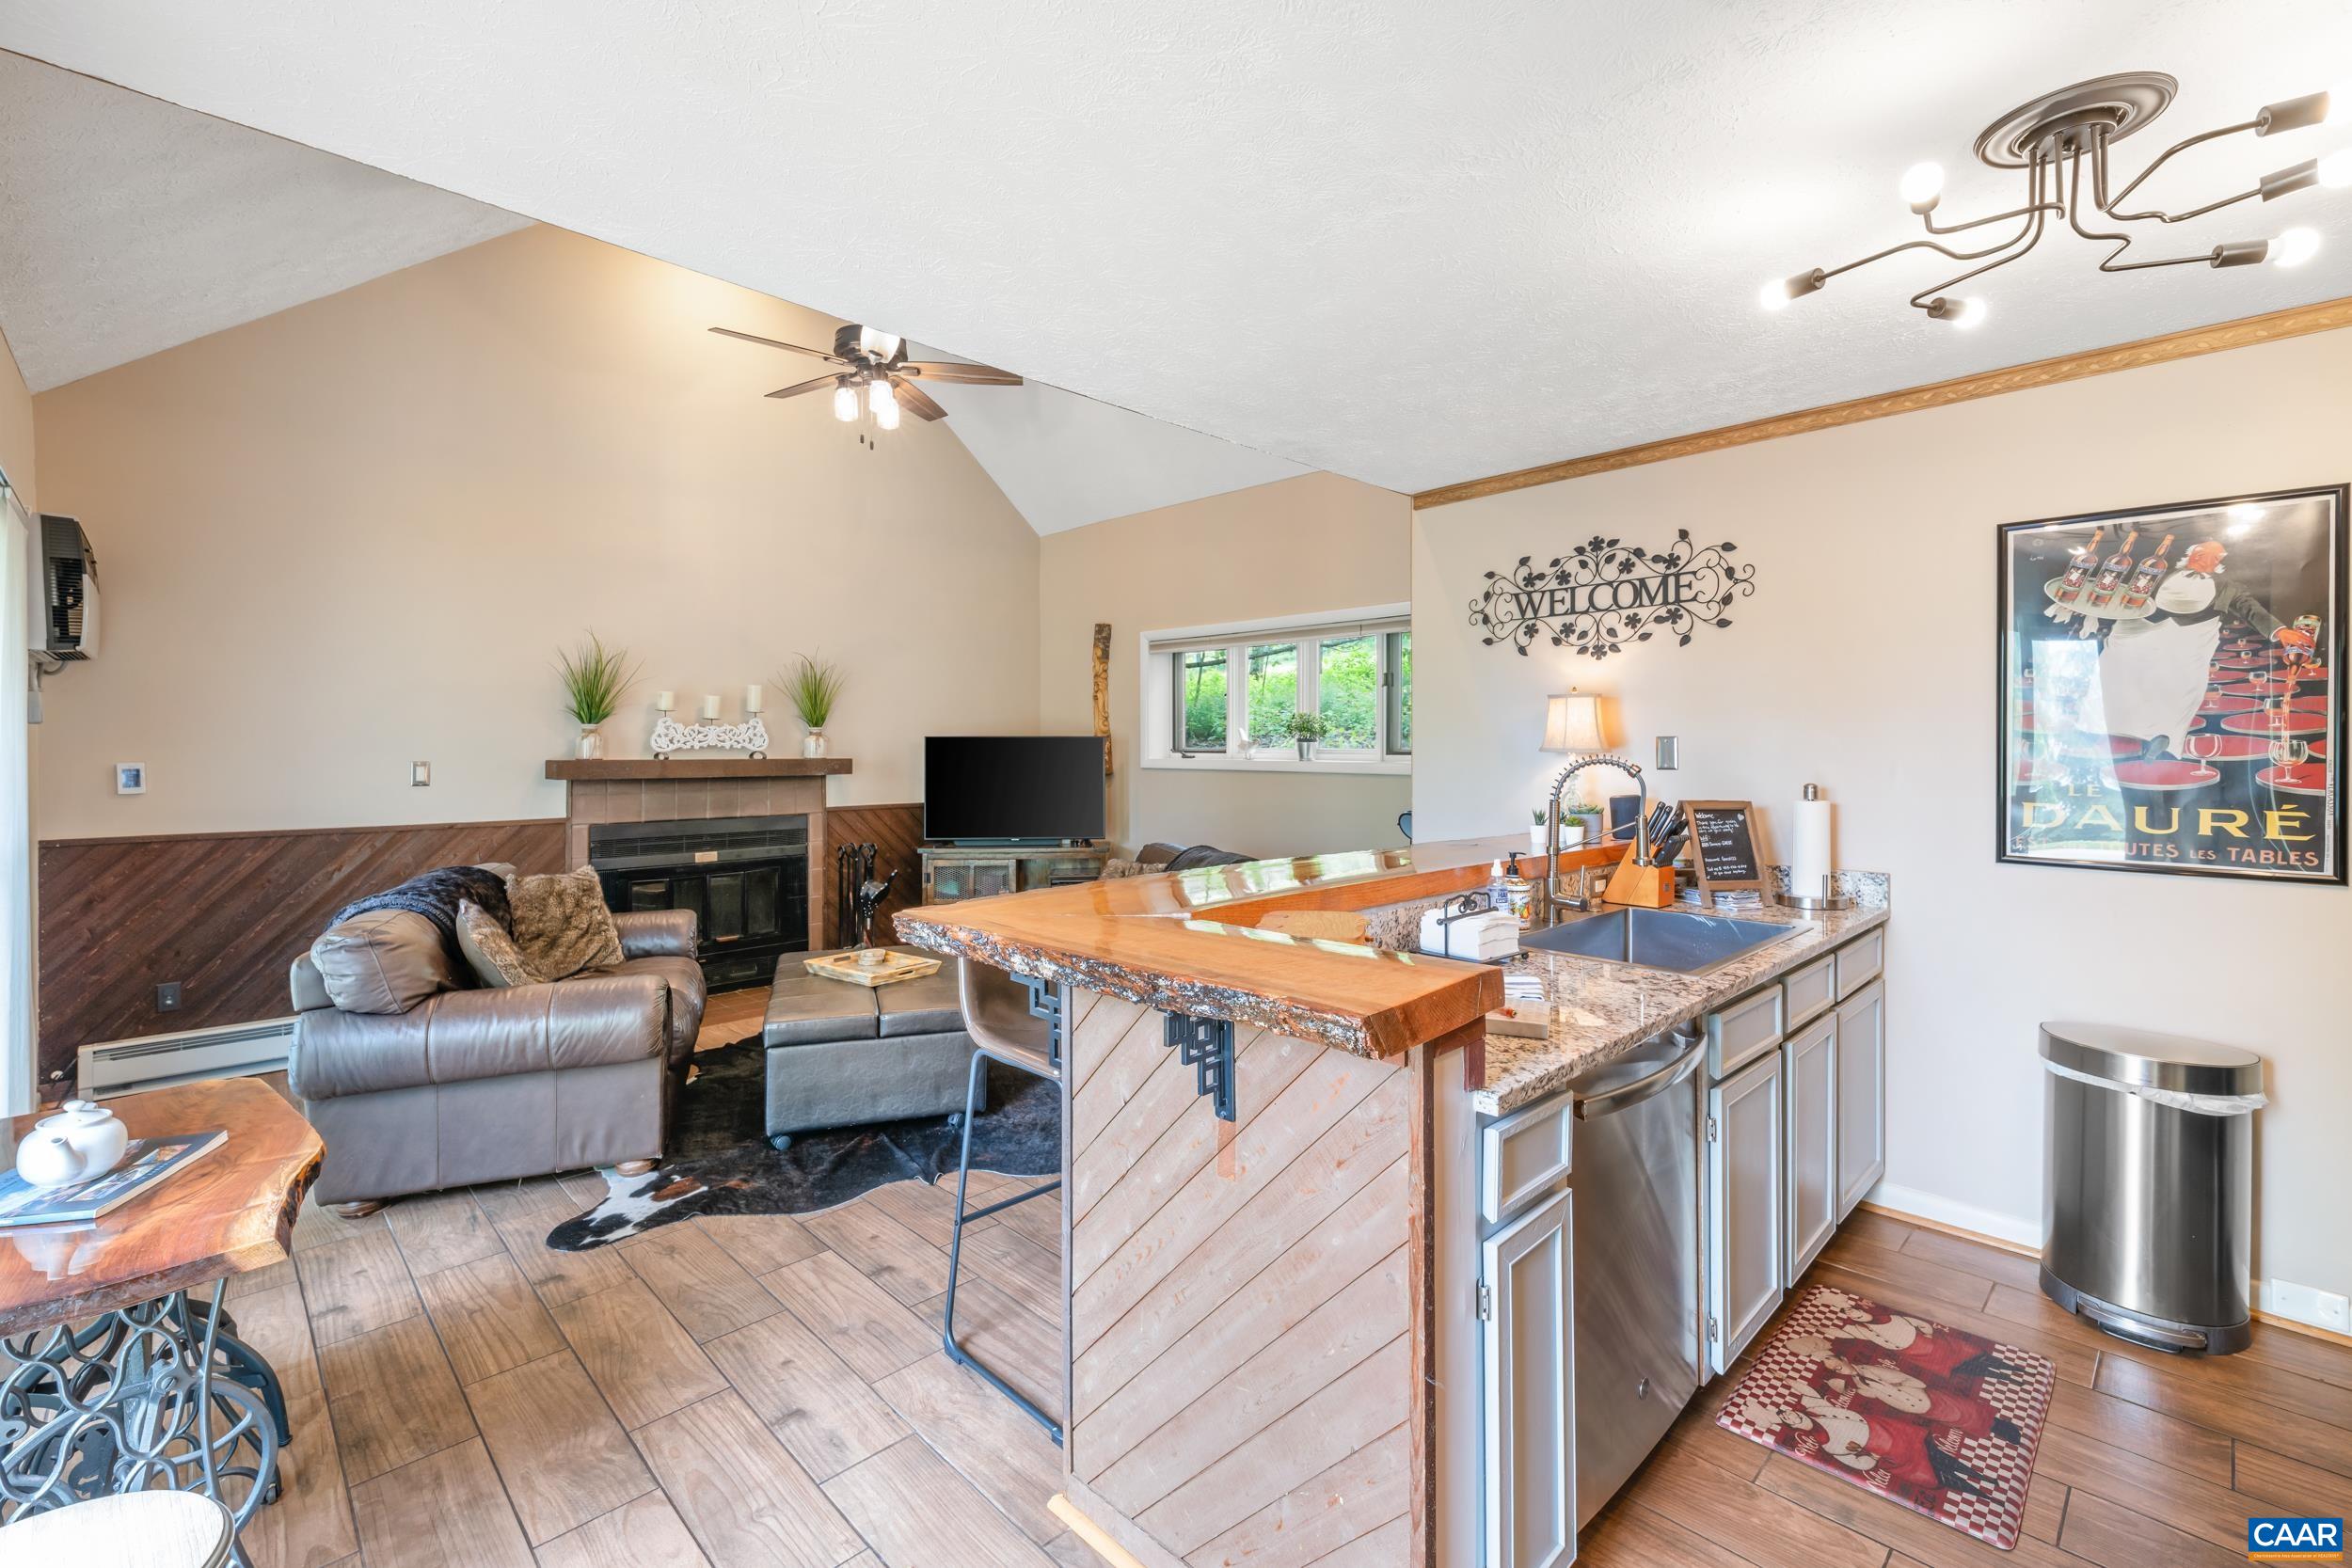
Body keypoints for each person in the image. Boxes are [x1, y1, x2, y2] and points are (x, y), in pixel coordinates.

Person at [2097, 539, 2318, 759]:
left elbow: (2250, 609)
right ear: (2190, 554)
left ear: (2219, 563)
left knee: (2178, 691)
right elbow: (2126, 594)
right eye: (2201, 553)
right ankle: (2116, 739)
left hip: (2188, 644)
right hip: (2140, 636)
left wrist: (2279, 631)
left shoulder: (2228, 587)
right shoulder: (2158, 572)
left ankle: (2161, 745)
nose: (2206, 559)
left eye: (2215, 556)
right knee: (2121, 683)